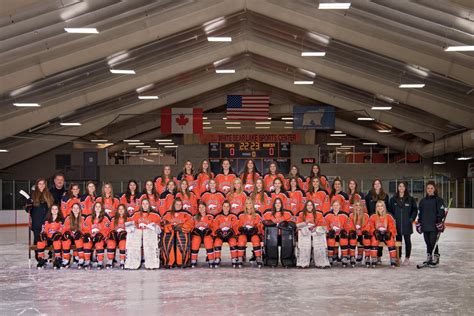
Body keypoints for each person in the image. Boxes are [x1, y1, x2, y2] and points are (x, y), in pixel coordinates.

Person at [416, 181, 446, 267]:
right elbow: (420, 213)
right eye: (428, 188)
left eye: (431, 188)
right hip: (425, 225)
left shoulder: (438, 200)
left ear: (434, 189)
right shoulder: (422, 201)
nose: (429, 190)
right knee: (427, 242)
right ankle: (429, 256)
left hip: (434, 226)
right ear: (426, 189)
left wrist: (438, 220)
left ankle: (436, 256)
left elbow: (441, 212)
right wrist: (419, 222)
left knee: (433, 242)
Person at [389, 181, 418, 265]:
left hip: (407, 224)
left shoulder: (410, 199)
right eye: (400, 186)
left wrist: (411, 219)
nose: (401, 188)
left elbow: (414, 210)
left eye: (403, 186)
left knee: (407, 241)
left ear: (405, 188)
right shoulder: (393, 199)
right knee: (398, 241)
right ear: (398, 188)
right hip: (396, 225)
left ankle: (407, 258)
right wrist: (393, 220)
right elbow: (390, 211)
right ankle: (399, 257)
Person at [26, 178, 54, 262]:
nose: (41, 185)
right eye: (40, 184)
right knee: (38, 239)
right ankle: (39, 257)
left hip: (47, 221)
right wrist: (28, 206)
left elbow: (53, 207)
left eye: (43, 184)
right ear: (37, 185)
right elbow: (28, 210)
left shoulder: (49, 195)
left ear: (45, 185)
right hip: (37, 221)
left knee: (49, 239)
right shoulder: (33, 195)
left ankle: (51, 255)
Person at [129, 198, 162, 269]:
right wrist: (135, 228)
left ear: (149, 205)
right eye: (143, 203)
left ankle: (151, 262)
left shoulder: (155, 215)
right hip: (138, 237)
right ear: (141, 205)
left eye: (146, 203)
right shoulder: (136, 214)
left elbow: (159, 230)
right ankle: (133, 262)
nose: (145, 205)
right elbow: (129, 227)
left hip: (149, 238)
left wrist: (153, 227)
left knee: (149, 236)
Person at [296, 200, 329, 268]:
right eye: (308, 205)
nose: (309, 206)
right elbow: (297, 225)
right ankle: (303, 262)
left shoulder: (319, 214)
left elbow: (324, 226)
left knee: (320, 234)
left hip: (315, 232)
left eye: (311, 205)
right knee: (303, 235)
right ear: (305, 206)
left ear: (313, 206)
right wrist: (305, 223)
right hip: (305, 232)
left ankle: (321, 262)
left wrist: (315, 228)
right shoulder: (301, 214)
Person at [161, 198, 194, 268]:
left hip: (181, 233)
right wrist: (171, 227)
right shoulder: (167, 213)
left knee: (181, 234)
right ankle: (168, 261)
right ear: (173, 205)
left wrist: (181, 227)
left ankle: (182, 260)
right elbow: (163, 224)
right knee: (168, 234)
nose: (178, 206)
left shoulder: (187, 213)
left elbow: (190, 224)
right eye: (177, 204)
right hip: (171, 234)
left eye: (180, 204)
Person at [364, 178, 390, 263]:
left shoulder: (385, 196)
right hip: (372, 220)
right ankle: (372, 256)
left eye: (378, 183)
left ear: (381, 185)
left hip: (382, 220)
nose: (377, 185)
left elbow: (387, 208)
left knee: (380, 236)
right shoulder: (369, 195)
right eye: (375, 184)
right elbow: (367, 208)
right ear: (373, 185)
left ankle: (379, 256)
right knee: (373, 237)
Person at [369, 200, 398, 268]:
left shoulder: (389, 216)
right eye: (378, 206)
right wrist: (374, 232)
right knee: (374, 240)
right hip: (377, 235)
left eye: (381, 206)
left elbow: (392, 227)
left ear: (384, 207)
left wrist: (389, 232)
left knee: (391, 241)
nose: (380, 207)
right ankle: (374, 258)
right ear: (376, 207)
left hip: (386, 235)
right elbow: (370, 227)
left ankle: (393, 259)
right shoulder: (373, 216)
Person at [82, 202, 111, 270]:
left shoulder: (105, 218)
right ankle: (87, 261)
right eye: (96, 207)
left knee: (99, 244)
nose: (97, 208)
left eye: (99, 207)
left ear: (101, 209)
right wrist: (88, 235)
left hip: (100, 238)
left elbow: (107, 229)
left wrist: (101, 234)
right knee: (86, 244)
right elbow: (85, 228)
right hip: (91, 237)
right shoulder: (89, 217)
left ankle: (100, 261)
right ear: (94, 208)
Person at [237, 198, 264, 268]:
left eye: (250, 203)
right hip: (245, 234)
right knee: (241, 239)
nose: (248, 205)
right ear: (245, 205)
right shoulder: (242, 215)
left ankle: (258, 257)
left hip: (253, 234)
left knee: (255, 239)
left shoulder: (257, 214)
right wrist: (242, 229)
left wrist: (255, 229)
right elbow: (239, 226)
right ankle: (240, 257)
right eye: (246, 203)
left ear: (252, 204)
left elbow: (259, 226)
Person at [213, 201, 239, 267]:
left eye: (227, 206)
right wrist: (219, 232)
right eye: (224, 206)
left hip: (230, 236)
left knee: (233, 242)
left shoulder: (233, 216)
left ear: (230, 207)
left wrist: (231, 232)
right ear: (222, 207)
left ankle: (234, 258)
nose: (226, 208)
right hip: (220, 236)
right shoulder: (218, 216)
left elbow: (235, 227)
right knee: (217, 242)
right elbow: (215, 227)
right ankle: (217, 258)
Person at [36, 204, 63, 269]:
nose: (54, 210)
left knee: (57, 242)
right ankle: (41, 259)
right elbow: (44, 229)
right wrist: (43, 234)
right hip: (48, 238)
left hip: (56, 238)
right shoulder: (46, 220)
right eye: (53, 209)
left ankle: (57, 260)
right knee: (40, 242)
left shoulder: (61, 220)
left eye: (56, 209)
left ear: (58, 210)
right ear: (50, 210)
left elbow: (62, 229)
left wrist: (58, 233)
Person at [325, 200, 351, 267]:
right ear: (332, 206)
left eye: (337, 205)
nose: (336, 207)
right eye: (334, 205)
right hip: (332, 234)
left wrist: (344, 232)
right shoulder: (327, 215)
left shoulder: (344, 215)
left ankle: (344, 257)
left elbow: (347, 226)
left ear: (340, 206)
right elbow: (325, 225)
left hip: (340, 234)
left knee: (344, 240)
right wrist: (329, 231)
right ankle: (330, 257)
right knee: (330, 240)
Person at [190, 202, 215, 268]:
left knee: (208, 240)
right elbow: (191, 227)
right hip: (197, 235)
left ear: (205, 208)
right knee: (195, 240)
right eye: (200, 207)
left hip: (207, 235)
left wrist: (210, 231)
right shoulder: (195, 217)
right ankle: (193, 260)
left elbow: (213, 227)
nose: (201, 209)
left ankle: (211, 259)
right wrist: (194, 231)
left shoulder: (210, 217)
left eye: (203, 207)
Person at [348, 201, 372, 267]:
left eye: (359, 205)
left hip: (362, 233)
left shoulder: (366, 215)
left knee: (366, 239)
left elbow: (367, 225)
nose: (358, 207)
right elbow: (350, 225)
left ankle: (366, 257)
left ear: (362, 207)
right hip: (355, 234)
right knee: (352, 239)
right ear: (354, 207)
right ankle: (352, 256)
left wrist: (365, 231)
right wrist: (352, 231)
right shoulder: (351, 215)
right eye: (356, 205)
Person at [61, 203, 85, 269]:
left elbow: (86, 229)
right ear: (71, 209)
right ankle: (66, 259)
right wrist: (66, 233)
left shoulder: (83, 218)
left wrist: (81, 233)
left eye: (77, 208)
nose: (75, 209)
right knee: (65, 241)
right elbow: (64, 229)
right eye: (74, 208)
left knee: (78, 240)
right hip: (71, 237)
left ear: (80, 210)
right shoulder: (68, 218)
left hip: (79, 238)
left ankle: (81, 258)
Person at [106, 204, 129, 269]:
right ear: (117, 210)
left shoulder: (128, 218)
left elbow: (130, 229)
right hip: (115, 236)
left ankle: (122, 260)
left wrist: (125, 232)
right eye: (119, 209)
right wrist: (113, 233)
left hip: (123, 237)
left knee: (123, 243)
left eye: (122, 209)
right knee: (111, 242)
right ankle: (110, 260)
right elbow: (111, 229)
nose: (121, 210)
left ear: (125, 210)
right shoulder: (113, 219)